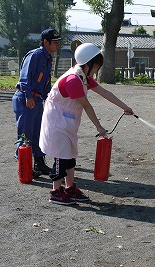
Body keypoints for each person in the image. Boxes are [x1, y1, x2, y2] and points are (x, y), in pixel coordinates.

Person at [39, 42, 134, 205]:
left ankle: (69, 188)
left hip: (67, 120)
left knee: (70, 156)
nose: (97, 70)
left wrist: (125, 107)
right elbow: (86, 105)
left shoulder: (84, 78)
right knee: (61, 157)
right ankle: (55, 192)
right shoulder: (73, 80)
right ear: (88, 64)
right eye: (96, 66)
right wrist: (99, 127)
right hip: (57, 121)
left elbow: (104, 92)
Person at [12, 28, 61, 177]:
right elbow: (25, 78)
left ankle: (39, 163)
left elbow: (45, 83)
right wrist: (29, 97)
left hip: (37, 99)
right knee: (25, 134)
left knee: (38, 133)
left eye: (58, 42)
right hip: (25, 99)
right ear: (45, 42)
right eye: (54, 42)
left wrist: (50, 98)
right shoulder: (35, 55)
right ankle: (24, 167)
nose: (57, 45)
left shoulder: (47, 58)